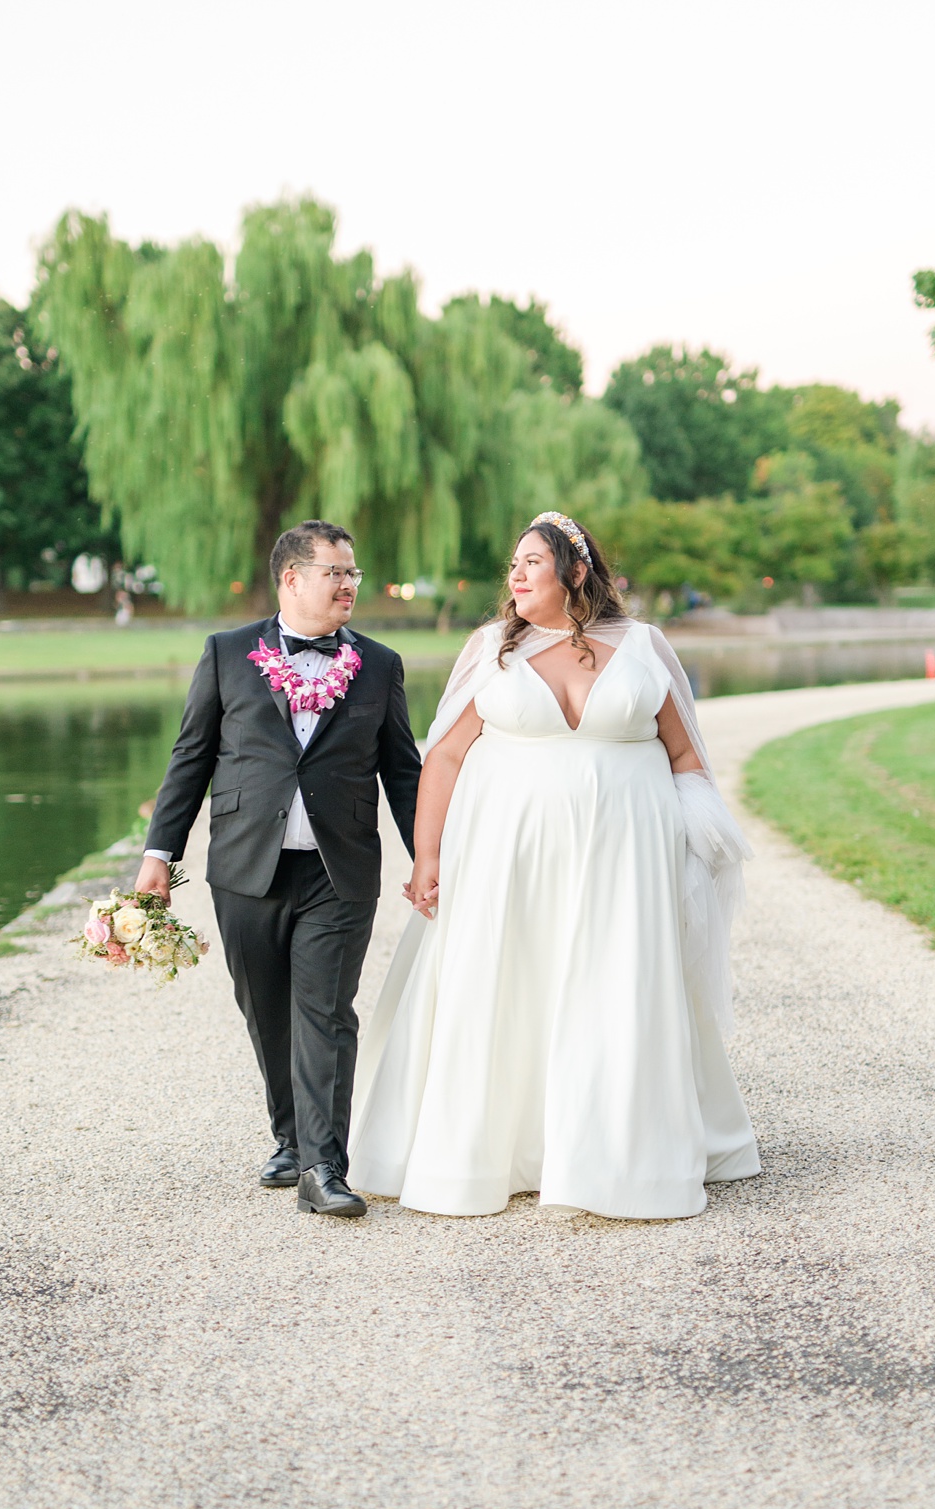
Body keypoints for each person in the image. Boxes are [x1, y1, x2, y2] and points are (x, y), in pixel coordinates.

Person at [347, 513, 758, 1220]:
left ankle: (620, 1161)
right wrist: (429, 857)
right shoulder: (489, 650)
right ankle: (500, 1152)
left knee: (616, 989)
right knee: (509, 985)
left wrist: (700, 850)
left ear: (575, 571)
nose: (515, 573)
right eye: (513, 562)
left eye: (531, 561)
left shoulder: (644, 646)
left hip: (626, 860)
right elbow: (443, 756)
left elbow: (686, 757)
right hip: (510, 864)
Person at [139, 519, 423, 1218]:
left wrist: (432, 861)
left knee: (325, 1013)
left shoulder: (381, 665)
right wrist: (158, 857)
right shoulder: (227, 653)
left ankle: (326, 1168)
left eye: (353, 572)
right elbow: (191, 760)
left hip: (340, 869)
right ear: (291, 578)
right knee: (266, 1011)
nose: (350, 584)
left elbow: (403, 774)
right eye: (336, 571)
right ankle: (291, 1138)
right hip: (244, 868)